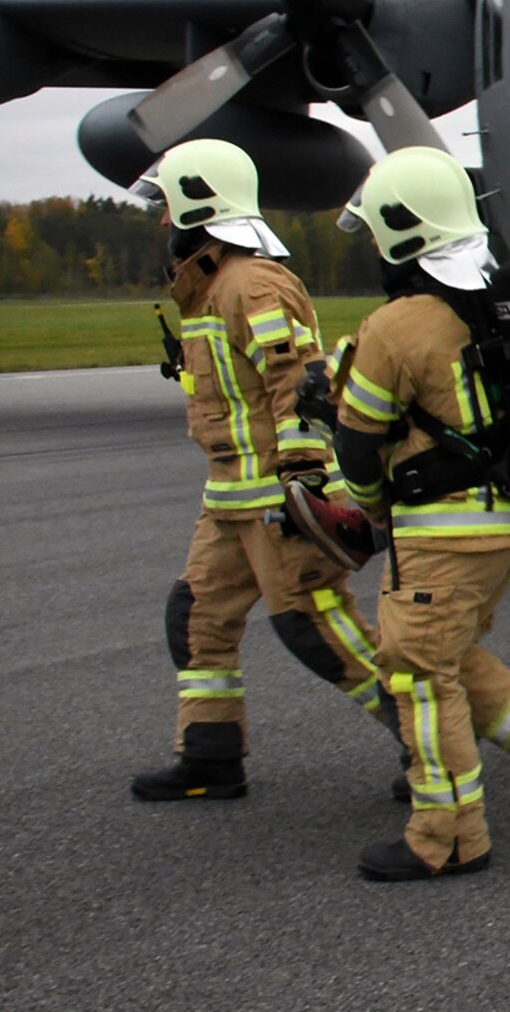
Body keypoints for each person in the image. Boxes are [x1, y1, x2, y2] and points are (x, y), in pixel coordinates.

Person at [333, 146, 510, 882]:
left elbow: (357, 446)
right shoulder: (498, 300)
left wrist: (370, 510)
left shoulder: (396, 325)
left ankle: (448, 837)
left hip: (438, 532)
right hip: (507, 526)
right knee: (448, 655)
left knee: (417, 673)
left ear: (400, 229)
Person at [125, 139, 394, 803]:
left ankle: (432, 741)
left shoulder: (254, 283)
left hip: (277, 497)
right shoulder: (209, 287)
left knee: (319, 631)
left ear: (199, 202)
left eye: (168, 205)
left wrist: (303, 481)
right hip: (229, 499)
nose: (163, 220)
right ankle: (211, 758)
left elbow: (294, 383)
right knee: (196, 617)